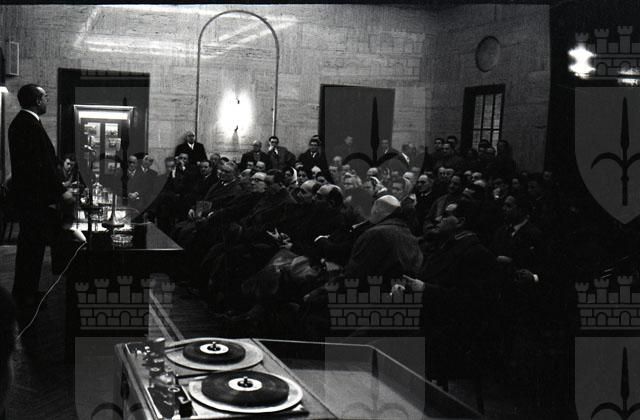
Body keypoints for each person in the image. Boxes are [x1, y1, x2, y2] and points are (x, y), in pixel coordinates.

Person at [8, 84, 72, 308]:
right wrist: (61, 191)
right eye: (45, 96)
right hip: (33, 200)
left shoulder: (24, 122)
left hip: (30, 198)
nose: (47, 100)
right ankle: (25, 296)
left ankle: (27, 292)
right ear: (37, 100)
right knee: (31, 249)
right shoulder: (28, 124)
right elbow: (40, 165)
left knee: (31, 248)